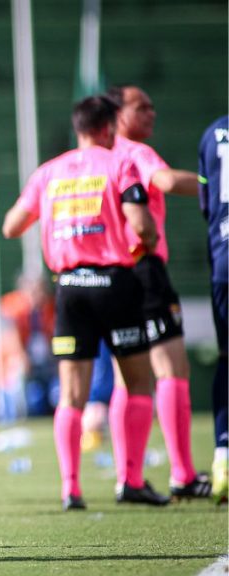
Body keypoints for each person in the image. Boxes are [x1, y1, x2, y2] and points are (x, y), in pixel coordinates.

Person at [2, 95, 168, 510]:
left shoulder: (49, 172)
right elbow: (143, 226)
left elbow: (11, 226)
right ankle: (130, 480)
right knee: (138, 383)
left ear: (78, 127)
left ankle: (70, 488)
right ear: (109, 127)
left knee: (71, 395)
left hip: (70, 287)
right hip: (115, 282)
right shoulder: (119, 164)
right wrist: (141, 244)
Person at [104, 84, 210, 499]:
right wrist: (214, 182)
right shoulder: (134, 152)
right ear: (116, 115)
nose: (151, 113)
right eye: (140, 107)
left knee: (125, 380)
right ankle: (182, 473)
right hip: (144, 269)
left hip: (110, 273)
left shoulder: (97, 160)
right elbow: (165, 181)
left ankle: (127, 477)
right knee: (172, 370)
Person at [197, 115, 228, 504]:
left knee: (226, 359)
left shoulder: (213, 131)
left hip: (222, 260)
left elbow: (207, 206)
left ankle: (222, 458)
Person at [0, 272, 58, 423]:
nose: (38, 295)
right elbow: (13, 341)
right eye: (33, 290)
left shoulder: (50, 307)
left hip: (46, 364)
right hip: (19, 366)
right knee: (18, 373)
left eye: (41, 290)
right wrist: (24, 359)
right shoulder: (13, 307)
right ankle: (16, 417)